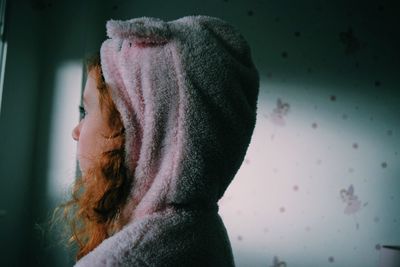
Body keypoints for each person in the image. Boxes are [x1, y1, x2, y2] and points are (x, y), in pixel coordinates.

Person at [63, 15, 259, 266]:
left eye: (86, 111)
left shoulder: (120, 261)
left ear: (144, 132)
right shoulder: (203, 233)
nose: (75, 132)